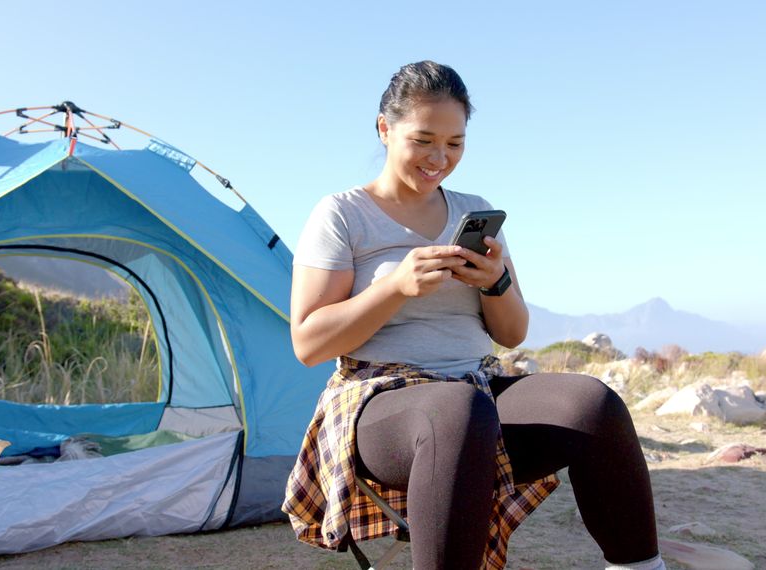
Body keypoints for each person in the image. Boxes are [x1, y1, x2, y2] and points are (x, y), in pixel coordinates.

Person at [282, 61, 664, 570]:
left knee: (592, 403)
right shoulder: (343, 214)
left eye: (455, 143)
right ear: (384, 128)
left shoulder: (473, 211)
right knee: (456, 411)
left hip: (477, 385)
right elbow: (308, 344)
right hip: (378, 399)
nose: (439, 158)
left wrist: (495, 283)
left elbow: (511, 334)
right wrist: (396, 287)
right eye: (423, 140)